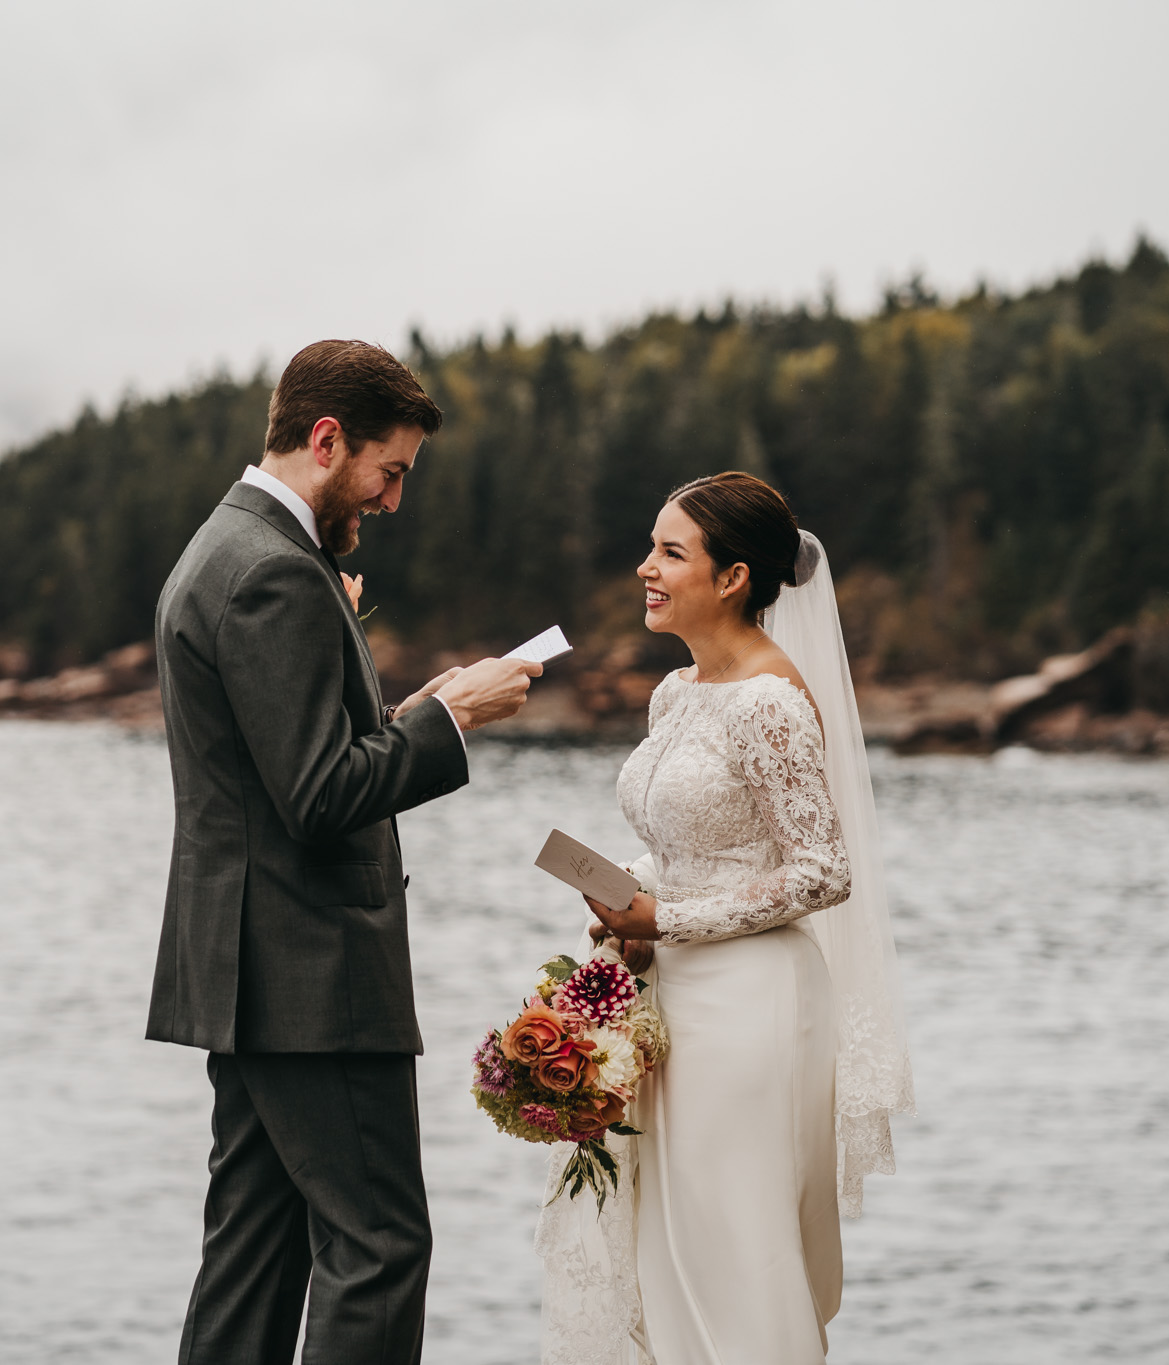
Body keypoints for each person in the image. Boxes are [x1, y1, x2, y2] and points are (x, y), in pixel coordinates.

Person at [147, 339, 543, 1365]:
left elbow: (286, 765)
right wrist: (450, 721)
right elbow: (319, 798)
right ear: (326, 441)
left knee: (255, 1253)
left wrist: (404, 713)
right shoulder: (270, 575)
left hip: (254, 970)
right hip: (309, 973)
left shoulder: (227, 550)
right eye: (390, 469)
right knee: (377, 1246)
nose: (394, 498)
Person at [536, 471, 913, 1364]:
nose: (646, 568)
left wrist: (665, 919)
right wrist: (625, 893)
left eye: (671, 552)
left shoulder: (773, 703)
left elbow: (823, 873)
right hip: (669, 1003)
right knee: (670, 1240)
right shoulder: (677, 692)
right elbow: (691, 851)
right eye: (652, 547)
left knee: (736, 1251)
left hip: (752, 1008)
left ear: (735, 576)